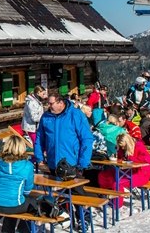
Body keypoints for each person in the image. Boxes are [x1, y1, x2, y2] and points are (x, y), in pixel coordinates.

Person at [34, 93, 93, 231]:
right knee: (57, 195)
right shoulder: (46, 117)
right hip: (53, 163)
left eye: (51, 103)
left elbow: (86, 139)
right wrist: (39, 159)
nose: (48, 106)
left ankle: (84, 219)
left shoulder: (75, 115)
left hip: (72, 163)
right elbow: (39, 138)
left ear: (60, 103)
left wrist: (83, 162)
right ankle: (66, 219)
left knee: (78, 194)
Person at [97, 133, 150, 208]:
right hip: (126, 171)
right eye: (121, 146)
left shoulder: (139, 146)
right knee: (103, 175)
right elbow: (120, 158)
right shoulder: (121, 149)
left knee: (117, 183)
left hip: (141, 174)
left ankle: (116, 204)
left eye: (123, 146)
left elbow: (148, 160)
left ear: (128, 143)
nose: (122, 148)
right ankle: (105, 195)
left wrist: (131, 159)